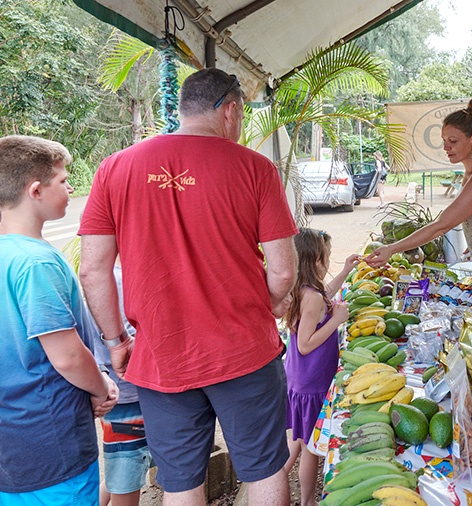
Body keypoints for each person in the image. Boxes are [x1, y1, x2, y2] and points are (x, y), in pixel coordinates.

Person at [78, 68, 298, 506]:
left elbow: (93, 271)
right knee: (265, 469)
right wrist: (270, 305)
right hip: (244, 350)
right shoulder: (255, 168)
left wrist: (116, 340)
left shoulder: (114, 168)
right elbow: (284, 271)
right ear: (230, 110)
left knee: (179, 481)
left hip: (161, 355)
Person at [0, 135, 119, 505]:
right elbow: (66, 355)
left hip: (11, 444)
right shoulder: (35, 262)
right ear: (35, 190)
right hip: (51, 442)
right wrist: (102, 388)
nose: (71, 188)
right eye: (64, 180)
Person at [365, 98, 472, 290]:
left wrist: (391, 249)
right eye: (444, 140)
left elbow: (441, 226)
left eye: (453, 141)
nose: (446, 147)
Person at [281, 229, 359, 506]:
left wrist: (346, 271)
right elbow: (305, 344)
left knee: (297, 440)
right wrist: (336, 320)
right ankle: (307, 501)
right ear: (316, 259)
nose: (328, 263)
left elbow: (326, 294)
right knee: (311, 447)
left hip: (300, 378)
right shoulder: (311, 297)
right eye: (327, 257)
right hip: (311, 381)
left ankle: (272, 485)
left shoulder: (305, 290)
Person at [76, 266, 152, 506]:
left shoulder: (110, 276)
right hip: (128, 398)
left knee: (121, 468)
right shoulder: (119, 278)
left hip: (123, 394)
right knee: (125, 480)